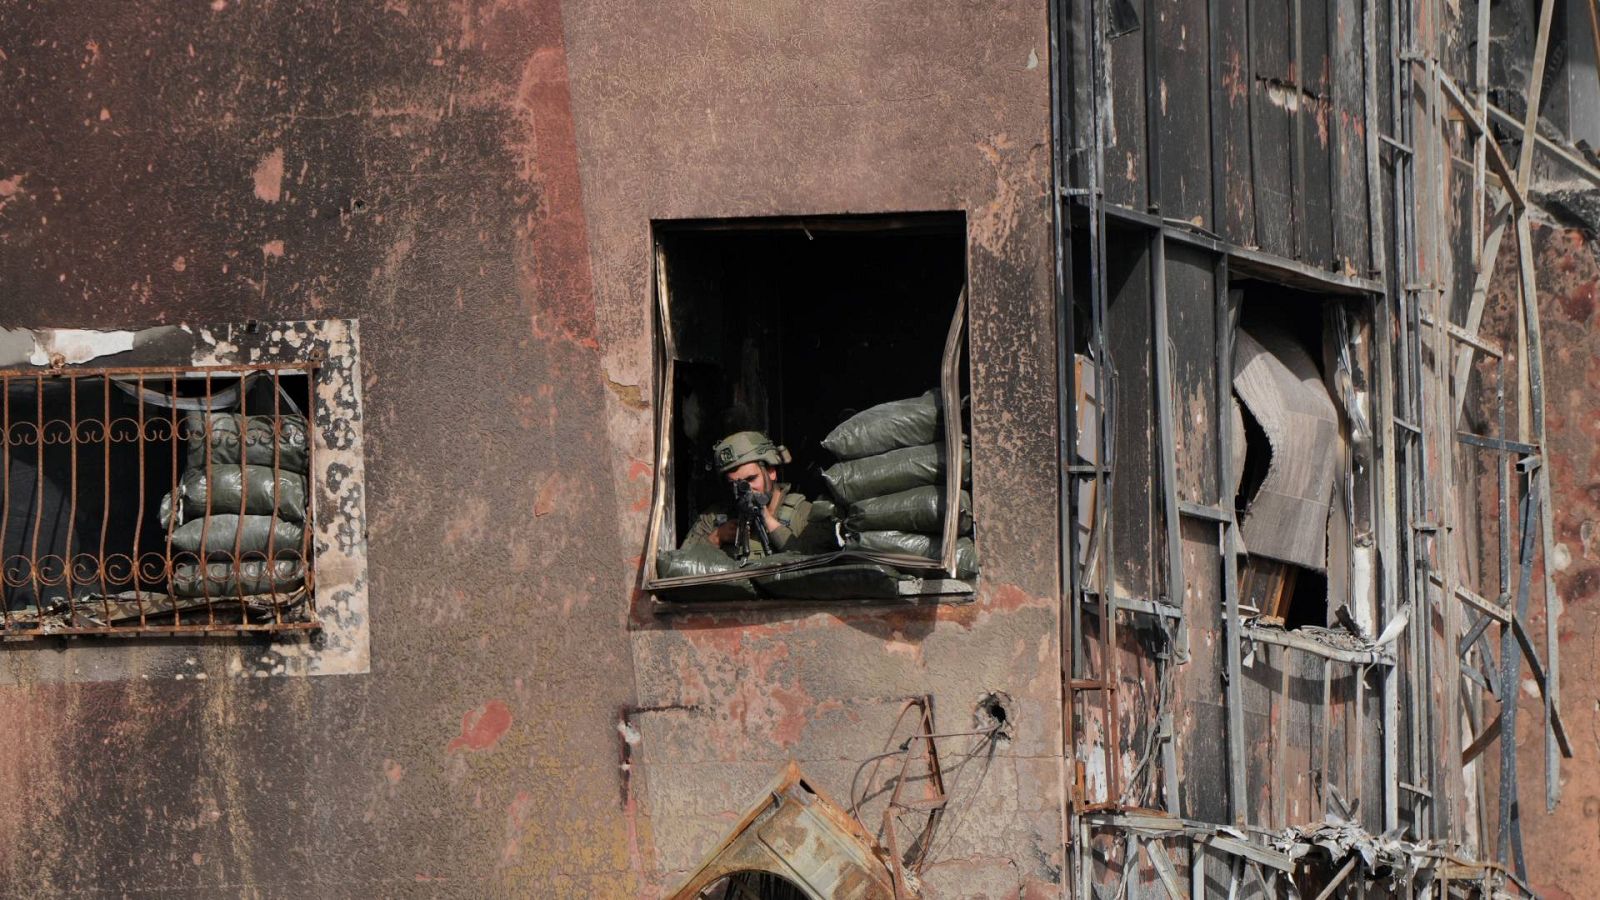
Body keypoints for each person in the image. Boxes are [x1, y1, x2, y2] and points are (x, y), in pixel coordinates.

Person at [683, 430, 837, 558]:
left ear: (771, 472)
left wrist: (770, 523)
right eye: (734, 484)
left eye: (751, 479)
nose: (745, 489)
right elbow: (680, 567)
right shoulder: (713, 519)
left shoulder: (803, 514)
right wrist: (716, 538)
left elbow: (822, 565)